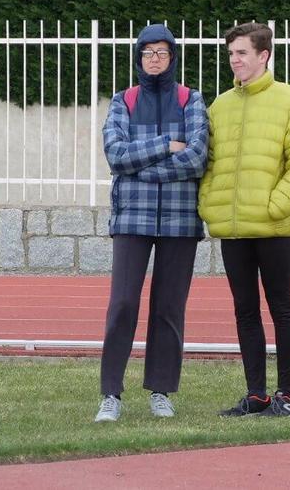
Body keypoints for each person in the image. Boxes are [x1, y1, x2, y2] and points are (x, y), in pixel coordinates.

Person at [199, 22, 290, 418]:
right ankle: (257, 395)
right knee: (245, 310)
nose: (234, 60)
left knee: (281, 307)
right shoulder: (220, 106)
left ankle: (288, 396)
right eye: (231, 53)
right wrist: (210, 205)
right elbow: (209, 163)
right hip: (233, 229)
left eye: (242, 53)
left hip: (271, 226)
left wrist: (275, 205)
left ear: (263, 55)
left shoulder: (289, 101)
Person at [96, 24, 208, 423]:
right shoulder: (123, 100)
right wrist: (164, 146)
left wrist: (142, 170)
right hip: (131, 218)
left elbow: (197, 157)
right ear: (138, 58)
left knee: (168, 308)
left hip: (181, 221)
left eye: (161, 52)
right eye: (148, 53)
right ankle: (111, 393)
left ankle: (161, 391)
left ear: (172, 57)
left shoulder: (191, 99)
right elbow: (115, 155)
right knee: (123, 304)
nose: (154, 59)